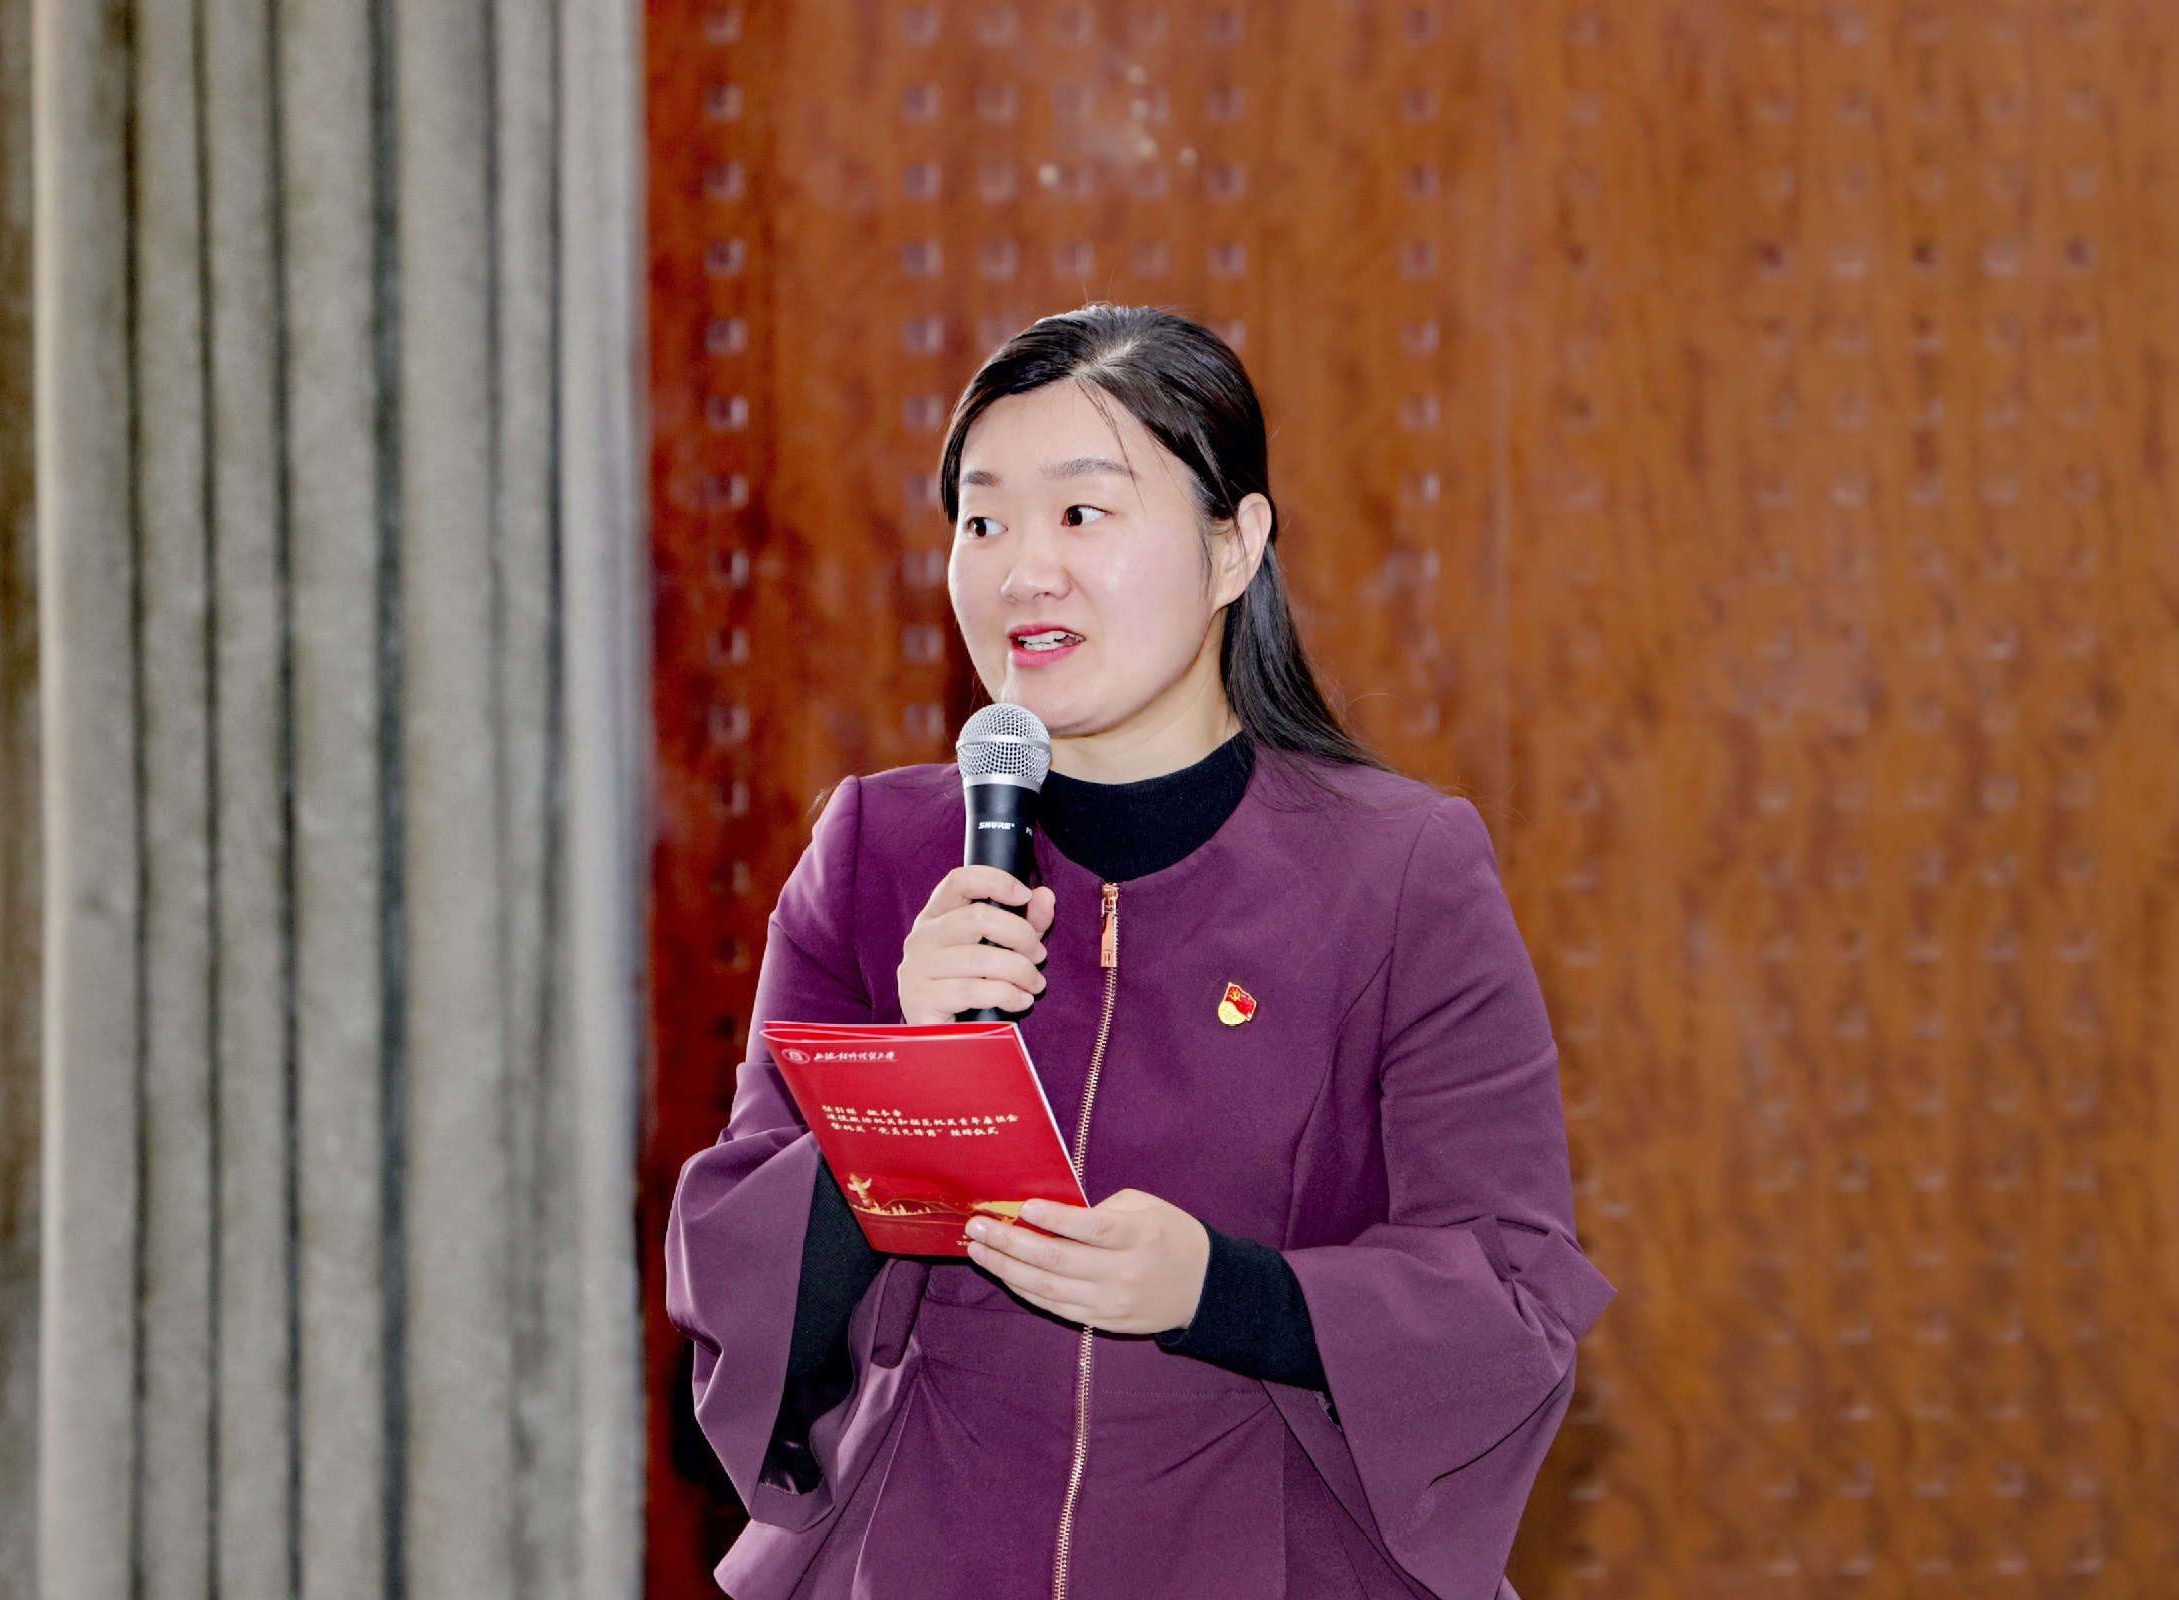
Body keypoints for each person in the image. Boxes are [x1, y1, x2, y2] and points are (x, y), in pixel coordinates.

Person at [666, 305, 1613, 1600]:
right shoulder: (877, 854)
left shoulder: (1400, 873)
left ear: (1235, 546)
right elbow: (736, 1282)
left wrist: (1222, 1292)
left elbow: (1510, 1296)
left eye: (1081, 513)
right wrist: (900, 1077)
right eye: (983, 522)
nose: (1024, 572)